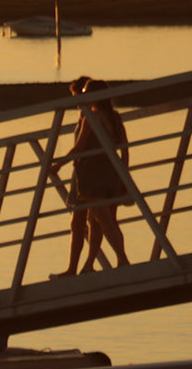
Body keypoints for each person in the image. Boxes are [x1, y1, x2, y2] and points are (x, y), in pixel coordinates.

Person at [52, 76, 132, 277]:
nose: (83, 98)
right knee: (102, 221)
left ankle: (123, 259)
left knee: (103, 221)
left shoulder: (92, 116)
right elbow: (124, 149)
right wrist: (123, 174)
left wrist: (58, 165)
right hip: (111, 172)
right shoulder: (115, 117)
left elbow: (79, 147)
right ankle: (90, 264)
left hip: (92, 173)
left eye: (86, 94)